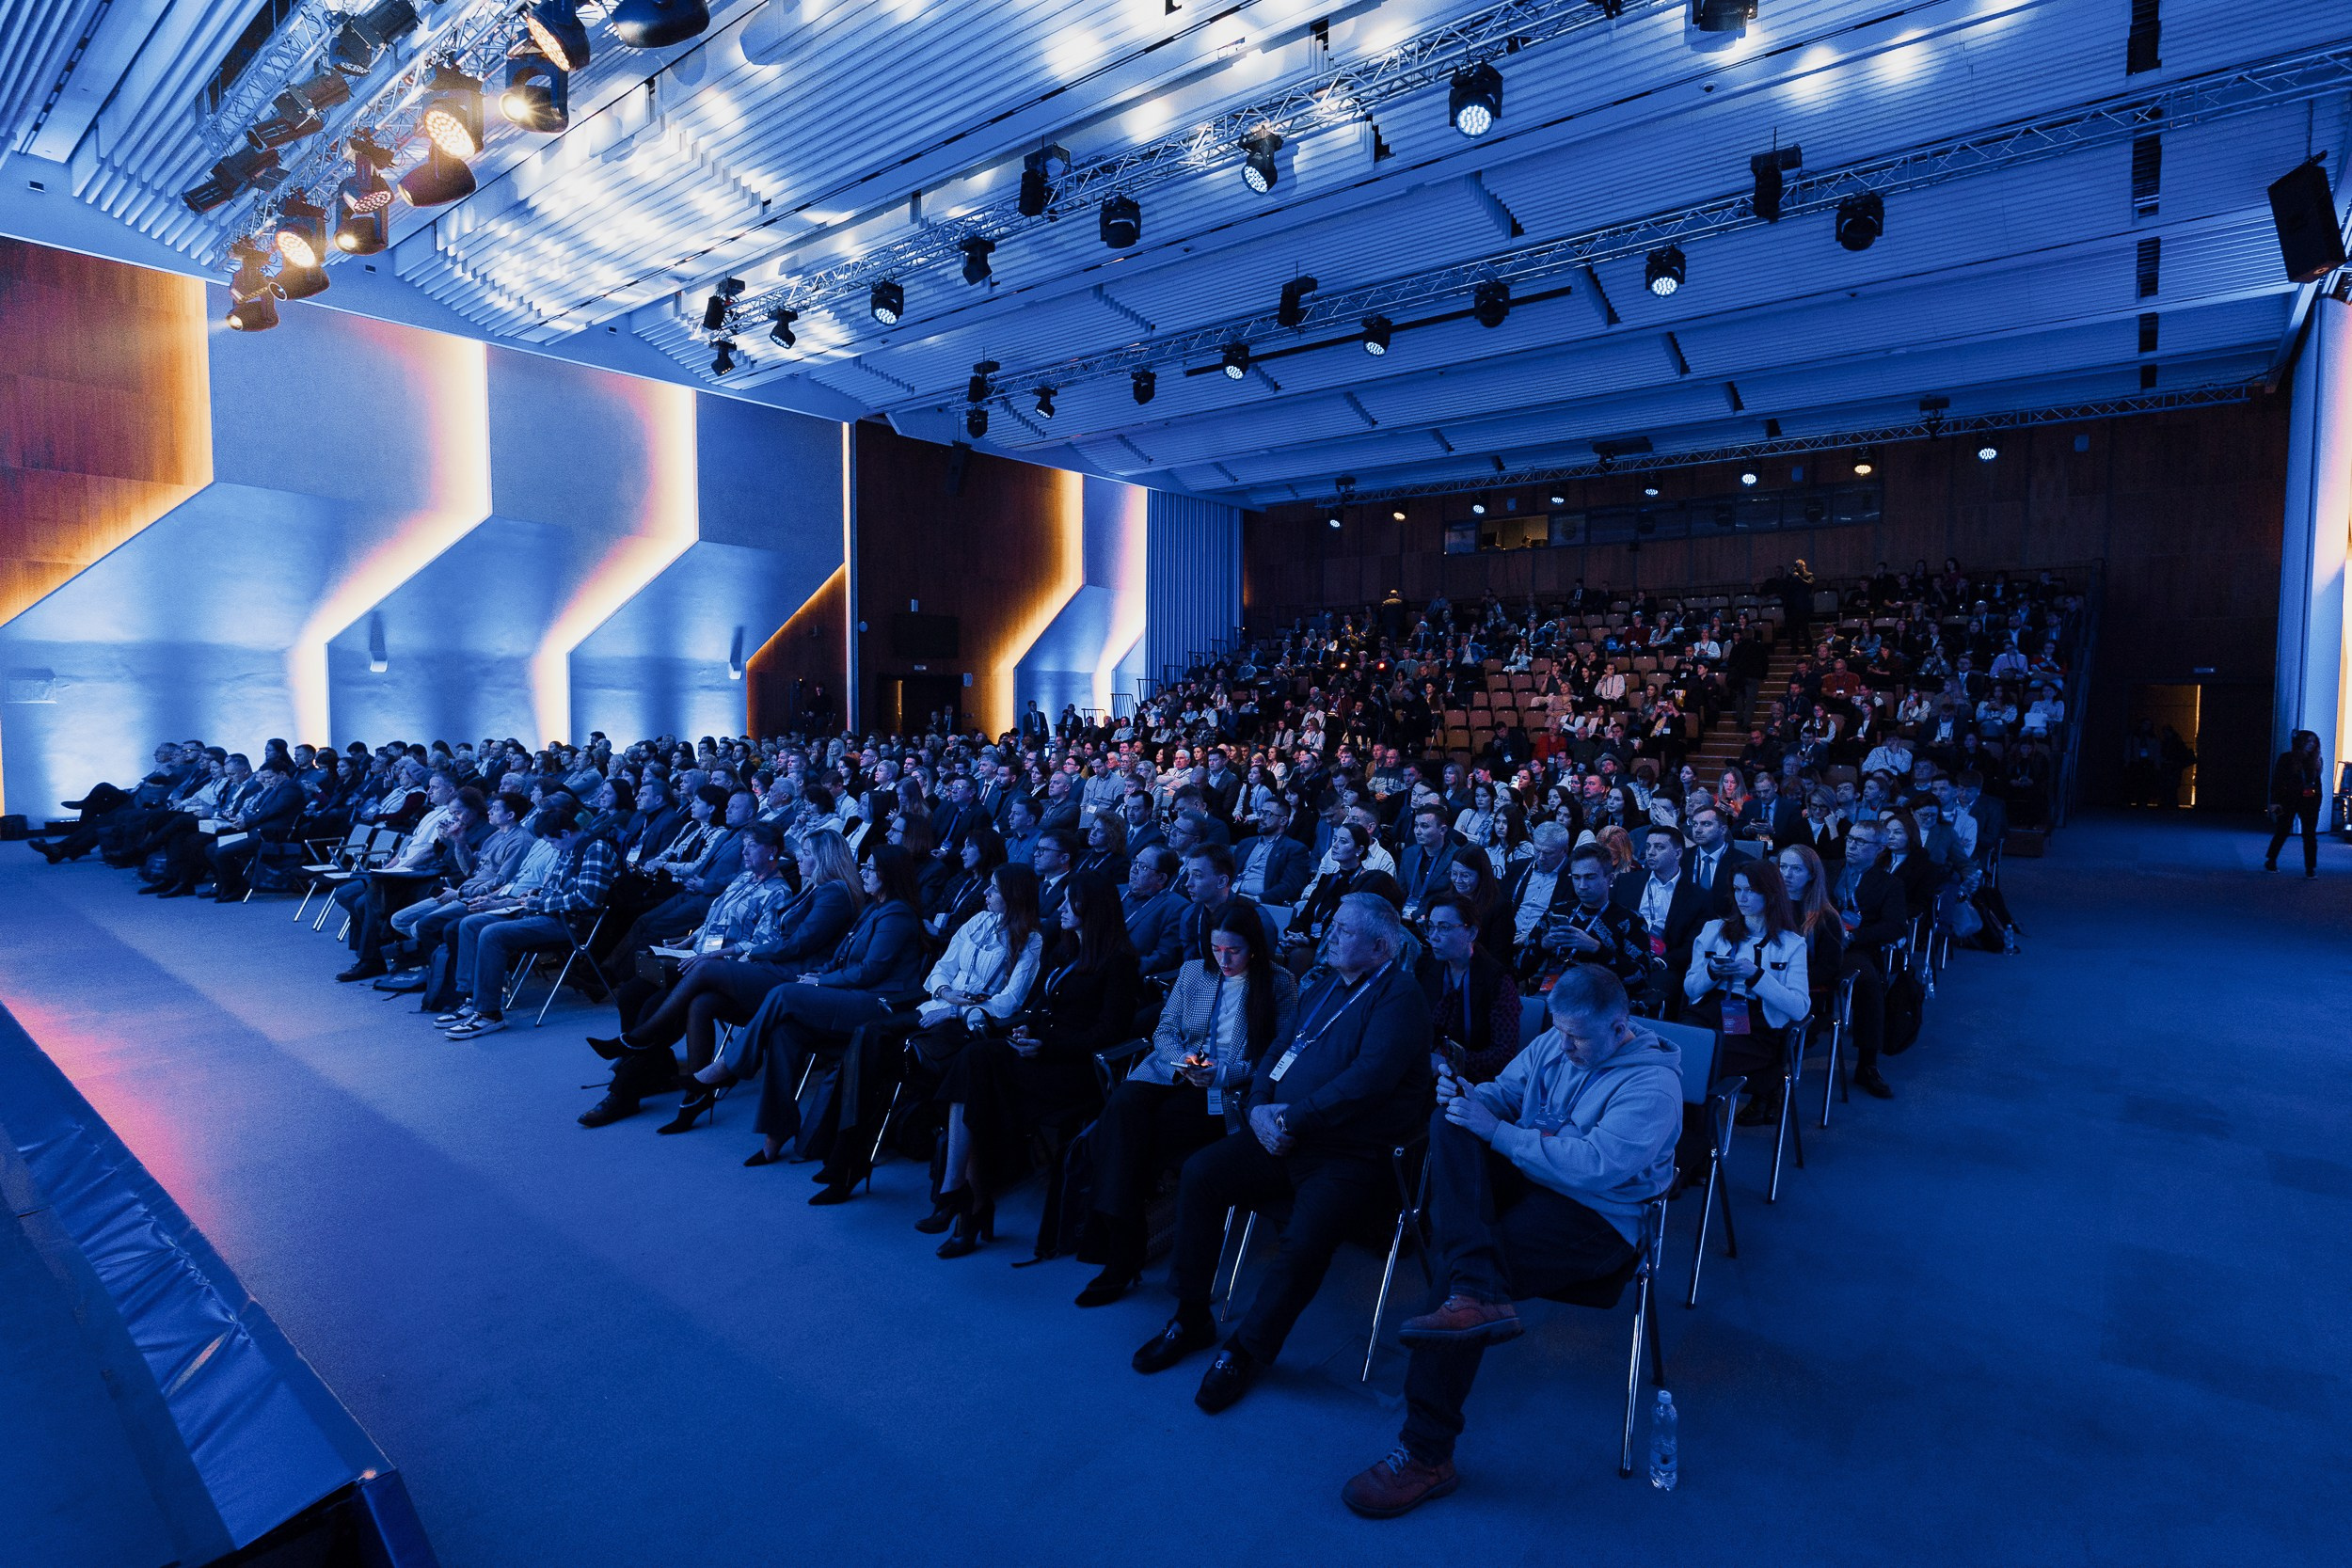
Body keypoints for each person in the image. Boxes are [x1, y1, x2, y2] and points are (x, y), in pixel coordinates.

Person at [1339, 964, 1681, 1519]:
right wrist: (1472, 1096)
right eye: (1559, 1030)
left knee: (1456, 1278)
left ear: (1620, 1026)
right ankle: (1476, 1286)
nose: (1563, 1045)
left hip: (1600, 1218)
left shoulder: (1653, 1085)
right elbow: (1505, 1092)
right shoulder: (1557, 1039)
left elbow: (1596, 1168)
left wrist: (1497, 1130)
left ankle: (1427, 1454)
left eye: (1578, 1037)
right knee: (1449, 1121)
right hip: (1535, 1177)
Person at [1131, 893, 1431, 1415]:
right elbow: (1278, 1048)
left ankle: (1246, 1350)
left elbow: (1368, 1081)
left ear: (1381, 946)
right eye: (1332, 926)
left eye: (1343, 931)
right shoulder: (1325, 986)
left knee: (1304, 1237)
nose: (1329, 937)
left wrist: (1289, 1118)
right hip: (1281, 1131)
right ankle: (1191, 1313)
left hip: (1349, 1153)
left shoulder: (1400, 997)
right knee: (1202, 1174)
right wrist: (1260, 1105)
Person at [1078, 906, 1299, 1307]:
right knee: (1124, 1104)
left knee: (1133, 1135)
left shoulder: (1279, 983)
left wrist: (1224, 1073)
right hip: (1174, 1073)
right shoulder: (1195, 972)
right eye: (1217, 948)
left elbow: (1276, 1056)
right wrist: (1183, 1062)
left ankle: (1120, 1250)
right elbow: (1163, 1029)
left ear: (1255, 948)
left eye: (1234, 950)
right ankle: (1127, 1243)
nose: (1224, 959)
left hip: (1225, 1092)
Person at [926, 871, 1140, 1256]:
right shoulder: (1066, 946)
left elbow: (1109, 1033)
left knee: (978, 1077)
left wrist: (1046, 1045)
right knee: (975, 1062)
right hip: (1041, 1052)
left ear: (1090, 907)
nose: (1058, 906)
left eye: (1068, 900)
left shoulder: (1119, 962)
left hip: (1074, 1069)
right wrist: (1026, 1029)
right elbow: (1041, 1006)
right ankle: (960, 1193)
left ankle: (963, 1200)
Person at [740, 845, 930, 1166]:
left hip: (877, 1005)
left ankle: (733, 1065)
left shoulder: (898, 914)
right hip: (851, 997)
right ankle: (778, 1129)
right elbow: (839, 958)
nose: (864, 873)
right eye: (864, 867)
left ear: (888, 875)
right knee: (785, 1032)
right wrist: (817, 974)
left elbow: (871, 971)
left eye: (870, 868)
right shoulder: (873, 908)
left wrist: (820, 983)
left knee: (784, 994)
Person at [896, 863, 1046, 1225]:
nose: (986, 894)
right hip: (938, 1006)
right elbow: (940, 969)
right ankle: (850, 1154)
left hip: (972, 1024)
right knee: (871, 1034)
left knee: (925, 1054)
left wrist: (955, 1010)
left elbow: (1009, 1001)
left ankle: (954, 1191)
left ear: (1012, 896)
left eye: (993, 890)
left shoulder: (1031, 938)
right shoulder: (977, 921)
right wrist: (947, 994)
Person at [1683, 858, 1809, 1129]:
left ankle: (1696, 1148)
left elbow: (1799, 1008)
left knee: (1709, 1057)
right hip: (1710, 1008)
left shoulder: (1791, 944)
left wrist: (1756, 976)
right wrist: (1713, 973)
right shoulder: (1714, 930)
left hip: (1751, 1015)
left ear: (1770, 893)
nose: (1742, 898)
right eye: (1738, 890)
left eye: (1750, 890)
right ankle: (1685, 1141)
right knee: (1682, 1050)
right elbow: (1691, 989)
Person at [1822, 818, 1906, 1098]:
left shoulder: (1889, 884)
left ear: (1880, 848)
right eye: (1850, 839)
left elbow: (1895, 926)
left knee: (1868, 983)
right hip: (1817, 941)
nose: (1852, 846)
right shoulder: (1828, 868)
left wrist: (1855, 937)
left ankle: (1867, 1063)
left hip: (1856, 947)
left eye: (1861, 842)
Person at [1418, 893, 1520, 1082]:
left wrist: (1447, 1063)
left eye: (1444, 928)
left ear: (1471, 933)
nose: (1433, 937)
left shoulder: (1497, 980)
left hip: (1472, 1081)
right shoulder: (1426, 966)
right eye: (1430, 927)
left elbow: (1503, 1055)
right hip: (1423, 1071)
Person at [2265, 729, 2325, 878]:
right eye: (2308, 741)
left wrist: (2318, 803)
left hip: (2309, 801)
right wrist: (2275, 802)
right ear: (2300, 742)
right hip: (2287, 800)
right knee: (2283, 831)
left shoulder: (2316, 760)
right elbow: (2277, 781)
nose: (2312, 744)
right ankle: (2271, 860)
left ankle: (2310, 868)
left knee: (2309, 835)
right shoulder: (2287, 758)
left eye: (2314, 741)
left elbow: (2317, 784)